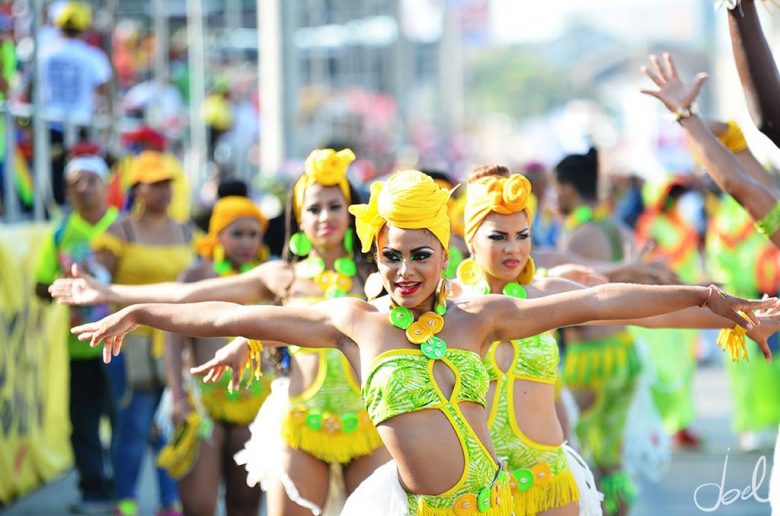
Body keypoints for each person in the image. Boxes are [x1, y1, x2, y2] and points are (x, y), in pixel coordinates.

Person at [69, 169, 774, 516]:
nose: (404, 273)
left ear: (444, 252)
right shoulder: (354, 321)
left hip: (520, 491)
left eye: (419, 256)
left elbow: (599, 300)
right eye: (390, 258)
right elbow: (222, 315)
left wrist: (709, 298)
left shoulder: (486, 317)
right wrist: (134, 309)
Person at [52, 148, 390, 516]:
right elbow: (188, 295)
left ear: (351, 210)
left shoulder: (372, 276)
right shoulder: (281, 276)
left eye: (334, 206)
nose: (325, 217)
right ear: (299, 217)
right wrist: (112, 293)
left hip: (368, 424)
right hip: (299, 423)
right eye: (313, 208)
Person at [454, 165, 779, 516]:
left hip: (547, 485)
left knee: (609, 459)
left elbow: (645, 314)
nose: (513, 248)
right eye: (498, 237)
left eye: (523, 234)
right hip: (478, 488)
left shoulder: (545, 292)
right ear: (470, 239)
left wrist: (734, 317)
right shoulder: (451, 307)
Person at [92, 151, 192, 516]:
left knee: (168, 422)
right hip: (129, 342)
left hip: (176, 342)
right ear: (138, 189)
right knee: (134, 424)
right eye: (156, 184)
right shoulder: (121, 230)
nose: (164, 190)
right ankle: (126, 504)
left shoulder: (185, 230)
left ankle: (169, 504)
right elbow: (97, 275)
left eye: (168, 183)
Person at [162, 196, 269, 516]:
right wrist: (178, 397)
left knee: (245, 504)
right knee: (198, 505)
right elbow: (172, 342)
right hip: (201, 404)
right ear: (217, 235)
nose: (247, 242)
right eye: (237, 234)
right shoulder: (194, 278)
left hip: (254, 402)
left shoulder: (268, 279)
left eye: (254, 234)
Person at [553, 148, 644, 515]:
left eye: (557, 189)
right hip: (624, 352)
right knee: (612, 455)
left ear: (569, 190)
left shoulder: (576, 239)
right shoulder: (619, 229)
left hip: (590, 361)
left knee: (584, 454)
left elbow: (569, 306)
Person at [34, 155, 117, 513]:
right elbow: (40, 286)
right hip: (80, 345)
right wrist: (64, 285)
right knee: (83, 421)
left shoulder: (123, 227)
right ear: (67, 190)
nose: (84, 188)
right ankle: (94, 489)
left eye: (91, 180)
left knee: (124, 422)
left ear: (104, 185)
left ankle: (123, 489)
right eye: (75, 182)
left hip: (122, 345)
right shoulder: (59, 233)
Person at [38, 1, 112, 206]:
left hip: (49, 125)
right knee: (84, 177)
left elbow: (29, 88)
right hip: (82, 125)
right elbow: (105, 92)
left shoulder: (43, 52)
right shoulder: (93, 56)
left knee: (51, 179)